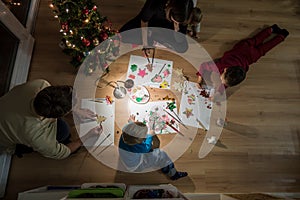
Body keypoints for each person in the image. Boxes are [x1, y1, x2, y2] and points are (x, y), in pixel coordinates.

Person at [0, 79, 102, 159]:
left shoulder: (40, 85)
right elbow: (64, 152)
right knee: (63, 132)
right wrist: (85, 137)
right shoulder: (37, 136)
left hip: (5, 110)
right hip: (5, 141)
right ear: (55, 117)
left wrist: (76, 110)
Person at [196, 24, 289, 100]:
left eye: (221, 80)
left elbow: (205, 67)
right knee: (259, 42)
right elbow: (205, 66)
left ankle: (278, 34)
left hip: (248, 54)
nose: (221, 81)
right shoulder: (226, 70)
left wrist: (218, 92)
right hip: (245, 50)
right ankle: (275, 33)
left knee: (261, 45)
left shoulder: (224, 68)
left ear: (225, 69)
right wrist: (200, 80)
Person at [118, 115, 188, 180]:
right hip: (136, 166)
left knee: (151, 149)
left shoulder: (125, 133)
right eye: (143, 136)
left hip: (127, 158)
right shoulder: (141, 148)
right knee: (161, 154)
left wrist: (132, 123)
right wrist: (151, 133)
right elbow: (148, 147)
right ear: (139, 141)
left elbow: (131, 129)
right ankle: (173, 174)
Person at [119, 0, 194, 53]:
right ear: (170, 10)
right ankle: (154, 38)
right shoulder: (156, 3)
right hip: (150, 23)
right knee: (123, 35)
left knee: (182, 48)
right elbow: (144, 21)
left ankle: (153, 37)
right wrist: (145, 45)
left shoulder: (188, 4)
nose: (177, 23)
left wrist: (176, 30)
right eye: (174, 20)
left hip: (166, 30)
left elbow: (180, 36)